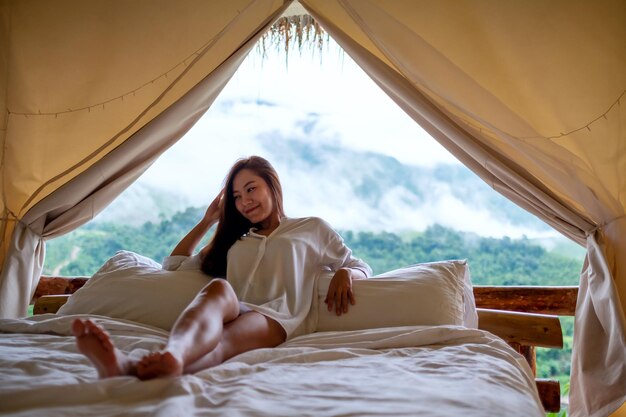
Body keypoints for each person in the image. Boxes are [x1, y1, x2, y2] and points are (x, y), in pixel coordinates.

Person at [72, 155, 371, 380]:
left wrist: (344, 272)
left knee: (223, 343)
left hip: (276, 317)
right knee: (217, 288)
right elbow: (174, 265)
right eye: (237, 196)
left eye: (251, 189)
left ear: (272, 185)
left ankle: (135, 367)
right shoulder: (238, 240)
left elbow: (358, 265)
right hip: (237, 305)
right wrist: (206, 222)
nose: (244, 201)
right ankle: (169, 355)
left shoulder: (312, 229)